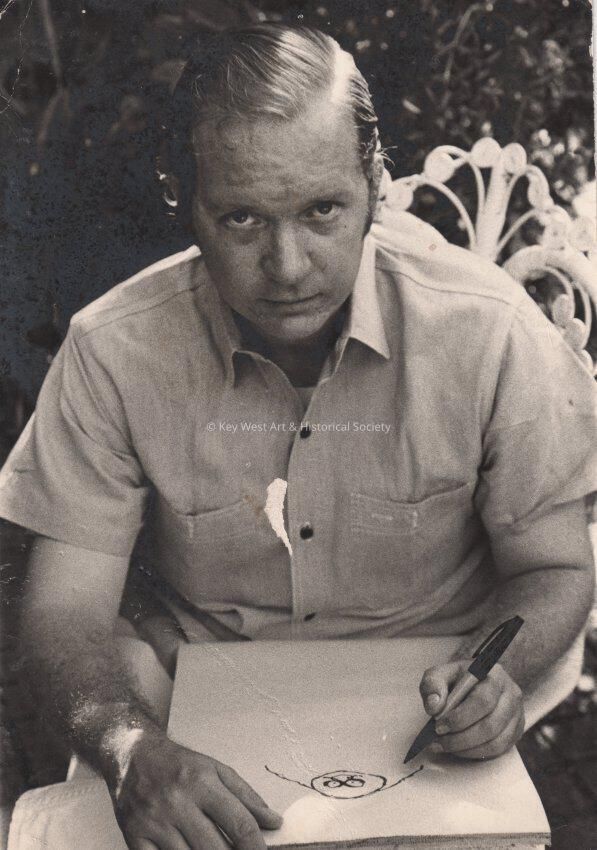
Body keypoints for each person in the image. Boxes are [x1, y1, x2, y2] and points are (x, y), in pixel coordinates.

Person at [1, 23, 595, 850]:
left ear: (374, 185)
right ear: (181, 198)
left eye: (322, 211)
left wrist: (499, 676)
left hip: (427, 710)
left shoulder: (489, 331)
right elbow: (64, 612)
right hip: (195, 706)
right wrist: (130, 749)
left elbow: (555, 565)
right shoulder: (113, 350)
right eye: (242, 218)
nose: (287, 267)